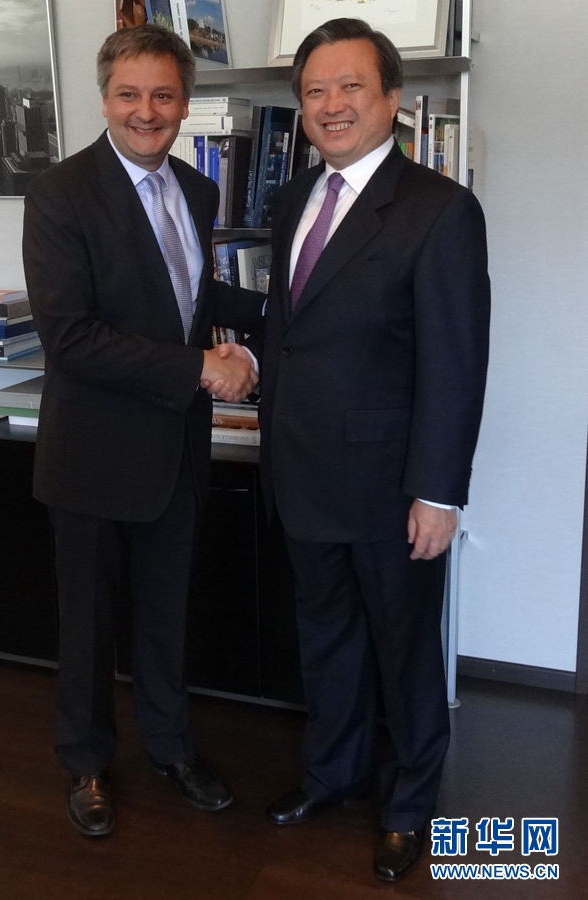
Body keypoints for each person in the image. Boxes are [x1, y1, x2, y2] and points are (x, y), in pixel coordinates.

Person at [258, 18, 490, 882]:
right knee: (326, 639)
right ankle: (334, 775)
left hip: (391, 487)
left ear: (392, 98)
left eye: (349, 86)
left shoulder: (439, 210)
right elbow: (295, 327)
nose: (331, 104)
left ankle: (408, 805)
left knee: (404, 649)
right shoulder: (292, 200)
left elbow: (455, 362)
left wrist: (438, 490)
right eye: (314, 90)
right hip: (301, 473)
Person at [22, 24, 263, 838]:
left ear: (184, 103)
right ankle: (86, 763)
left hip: (174, 454)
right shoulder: (59, 193)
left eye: (163, 95)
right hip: (91, 456)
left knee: (167, 619)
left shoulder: (195, 190)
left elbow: (186, 297)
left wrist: (287, 306)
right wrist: (200, 367)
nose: (146, 111)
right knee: (87, 630)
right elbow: (71, 337)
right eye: (129, 94)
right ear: (105, 100)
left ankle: (171, 747)